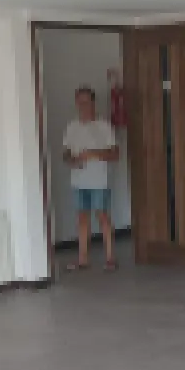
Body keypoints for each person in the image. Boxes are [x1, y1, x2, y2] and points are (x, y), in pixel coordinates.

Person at [60, 84, 120, 270]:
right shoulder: (71, 127)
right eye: (80, 103)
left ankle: (110, 258)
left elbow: (115, 154)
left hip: (99, 180)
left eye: (86, 102)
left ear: (93, 103)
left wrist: (93, 154)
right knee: (82, 218)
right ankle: (82, 259)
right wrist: (72, 160)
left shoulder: (104, 126)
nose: (83, 106)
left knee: (102, 216)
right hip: (78, 180)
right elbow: (66, 153)